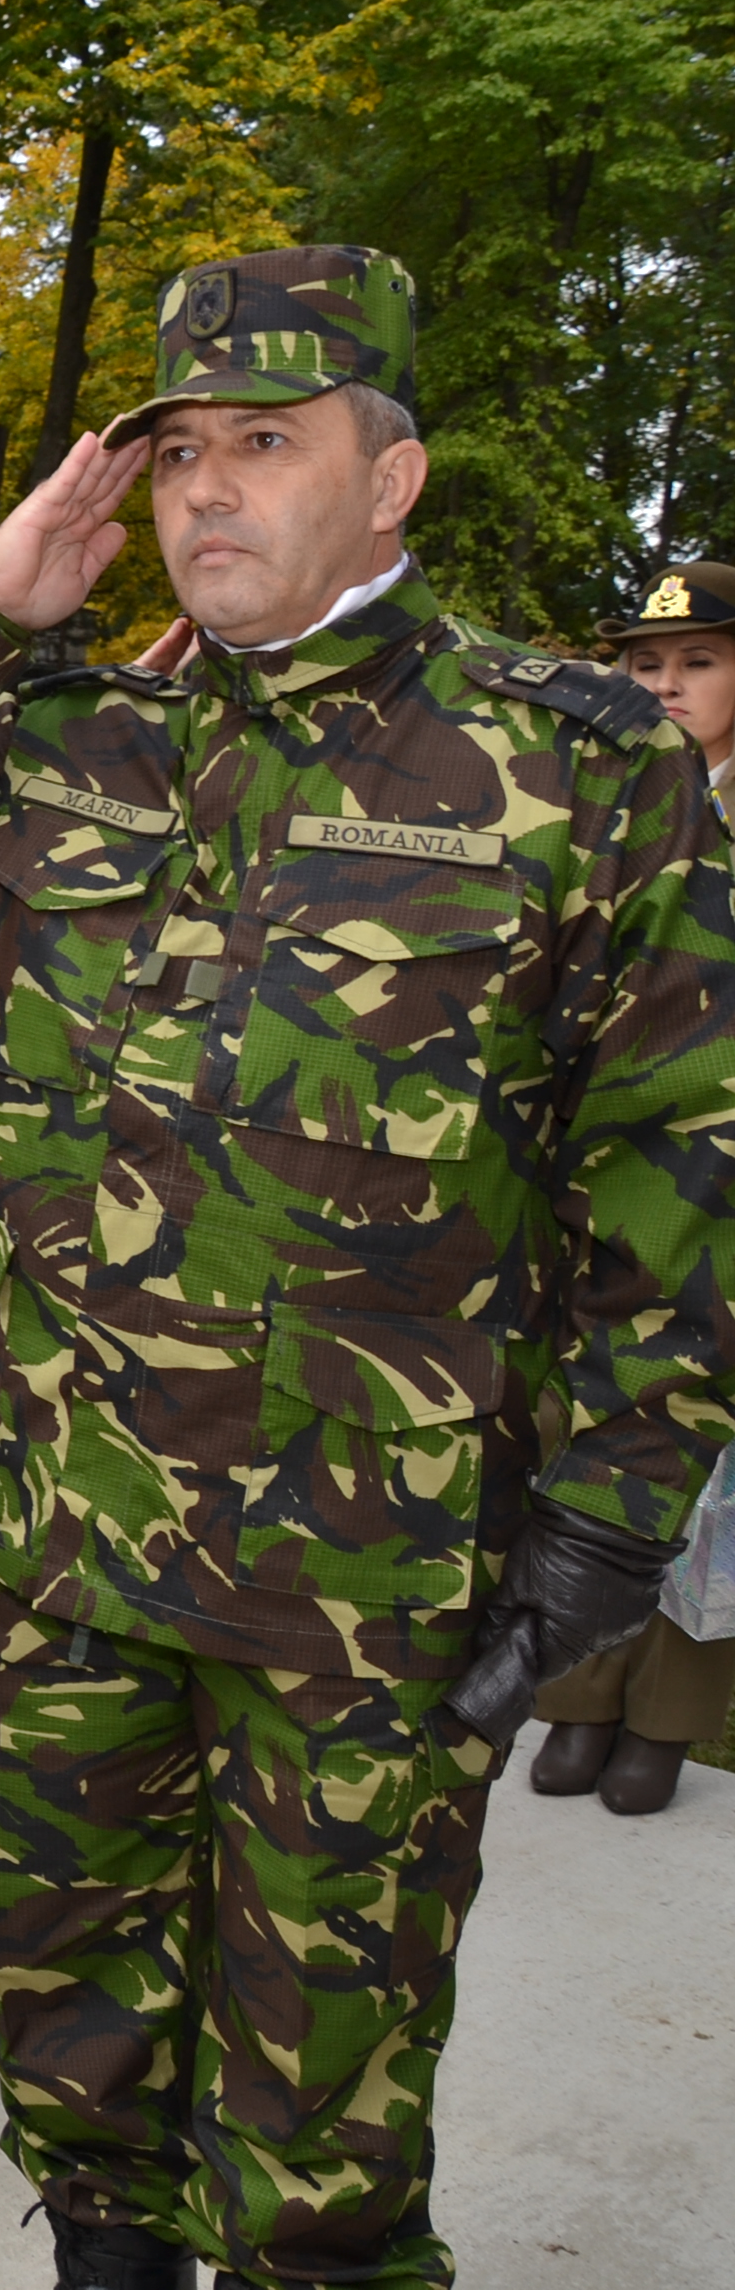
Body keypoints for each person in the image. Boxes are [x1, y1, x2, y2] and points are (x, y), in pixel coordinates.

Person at [0, 245, 735, 2290]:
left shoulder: (570, 761)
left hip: (365, 1564)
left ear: (391, 481)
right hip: (71, 1528)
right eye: (181, 452)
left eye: (266, 447)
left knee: (323, 2101)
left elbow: (678, 1158)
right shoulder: (76, 730)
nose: (207, 491)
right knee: (57, 1985)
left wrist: (614, 1523)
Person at [518, 555, 735, 1819]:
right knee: (589, 1417)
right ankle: (579, 1691)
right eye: (646, 665)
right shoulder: (603, 804)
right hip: (610, 1162)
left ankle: (669, 1715)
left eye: (697, 662)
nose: (666, 685)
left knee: (708, 1453)